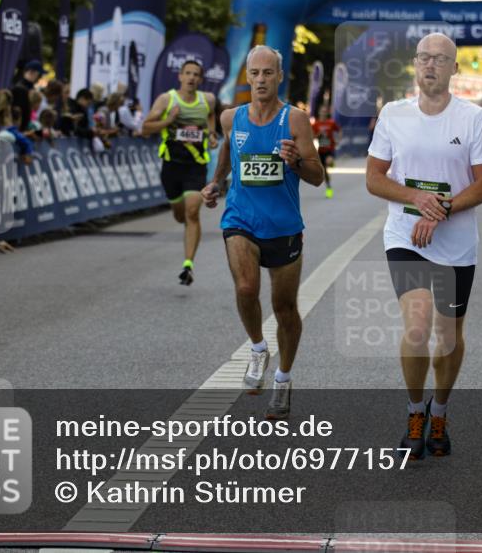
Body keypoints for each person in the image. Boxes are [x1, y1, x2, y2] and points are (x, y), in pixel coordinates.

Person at [366, 33, 482, 460]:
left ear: (454, 68)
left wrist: (440, 209)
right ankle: (414, 413)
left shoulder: (475, 118)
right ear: (414, 64)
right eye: (424, 58)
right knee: (417, 326)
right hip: (405, 238)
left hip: (456, 246)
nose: (430, 65)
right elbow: (374, 178)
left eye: (440, 59)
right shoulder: (393, 114)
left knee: (449, 336)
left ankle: (439, 410)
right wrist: (415, 199)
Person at [201, 45, 324, 420]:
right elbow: (228, 152)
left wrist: (296, 161)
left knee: (284, 309)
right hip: (241, 219)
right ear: (248, 77)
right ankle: (257, 348)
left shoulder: (295, 120)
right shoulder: (230, 117)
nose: (260, 80)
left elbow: (317, 176)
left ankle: (283, 378)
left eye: (267, 73)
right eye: (254, 73)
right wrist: (216, 183)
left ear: (279, 77)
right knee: (245, 288)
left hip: (283, 226)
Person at [143, 60, 218, 286]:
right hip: (171, 166)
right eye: (188, 73)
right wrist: (169, 119)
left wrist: (211, 134)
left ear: (200, 79)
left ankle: (188, 265)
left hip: (196, 166)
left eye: (196, 74)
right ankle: (182, 217)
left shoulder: (208, 100)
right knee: (180, 215)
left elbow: (211, 115)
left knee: (192, 212)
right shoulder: (167, 100)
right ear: (180, 76)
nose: (191, 77)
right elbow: (145, 128)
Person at [312, 103, 341, 198]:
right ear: (319, 113)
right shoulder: (316, 124)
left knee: (329, 162)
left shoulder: (331, 123)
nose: (323, 113)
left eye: (325, 111)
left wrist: (338, 140)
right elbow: (312, 137)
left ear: (327, 113)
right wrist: (318, 134)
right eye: (322, 111)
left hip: (330, 148)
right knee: (324, 172)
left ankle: (331, 162)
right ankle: (329, 188)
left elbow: (339, 130)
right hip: (321, 150)